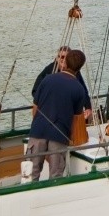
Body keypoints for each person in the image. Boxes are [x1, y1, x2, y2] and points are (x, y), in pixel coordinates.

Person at [26, 49, 89, 179]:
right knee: (56, 175)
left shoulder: (47, 79)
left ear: (65, 63)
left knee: (30, 173)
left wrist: (36, 126)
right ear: (80, 67)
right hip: (60, 135)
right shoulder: (79, 89)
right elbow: (76, 120)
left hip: (38, 131)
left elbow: (35, 107)